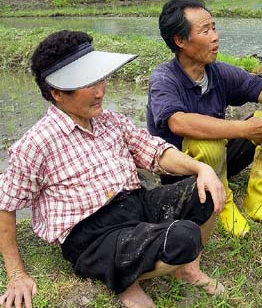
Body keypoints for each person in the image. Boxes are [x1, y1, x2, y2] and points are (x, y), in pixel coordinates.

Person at [0, 31, 227, 308]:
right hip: (92, 235)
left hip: (135, 203)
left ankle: (186, 269)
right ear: (57, 93)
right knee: (184, 238)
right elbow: (5, 205)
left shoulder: (110, 121)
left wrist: (201, 168)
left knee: (207, 190)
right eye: (88, 85)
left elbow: (154, 151)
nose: (100, 91)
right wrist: (17, 274)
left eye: (100, 80)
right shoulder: (35, 144)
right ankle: (125, 282)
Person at [147, 0, 262, 237]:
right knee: (206, 140)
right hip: (182, 172)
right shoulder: (164, 79)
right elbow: (179, 122)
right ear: (180, 40)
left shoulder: (219, 72)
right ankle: (223, 206)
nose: (215, 36)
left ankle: (257, 201)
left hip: (219, 159)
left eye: (214, 27)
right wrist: (244, 129)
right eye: (205, 31)